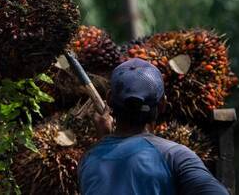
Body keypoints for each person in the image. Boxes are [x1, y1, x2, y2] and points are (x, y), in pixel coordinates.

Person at [78, 58, 229, 195]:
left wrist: (105, 140)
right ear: (162, 105)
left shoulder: (87, 162)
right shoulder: (174, 156)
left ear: (109, 99)